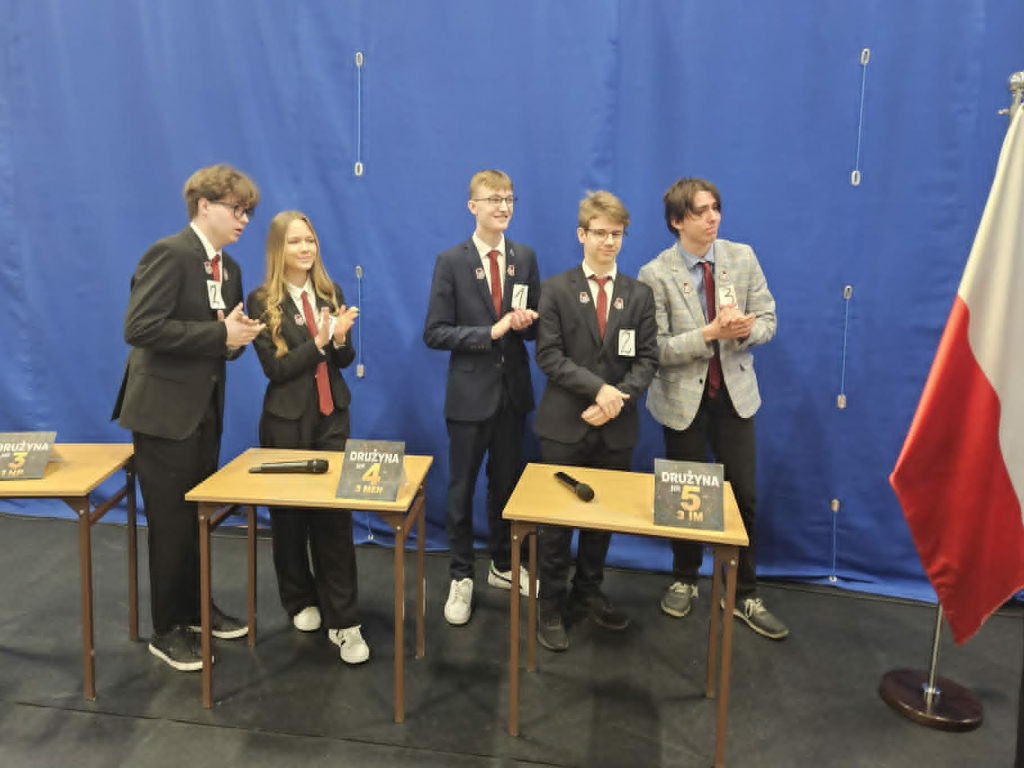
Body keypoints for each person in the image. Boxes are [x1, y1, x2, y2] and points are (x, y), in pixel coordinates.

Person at [112, 164, 264, 671]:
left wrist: (236, 338)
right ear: (204, 205)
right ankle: (167, 628)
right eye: (236, 209)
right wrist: (219, 335)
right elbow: (140, 327)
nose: (244, 219)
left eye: (248, 212)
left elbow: (220, 344)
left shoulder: (230, 268)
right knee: (170, 523)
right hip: (163, 413)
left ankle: (196, 608)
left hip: (204, 411)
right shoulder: (170, 254)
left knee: (196, 517)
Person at [637, 177, 787, 640]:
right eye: (700, 211)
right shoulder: (655, 273)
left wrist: (744, 330)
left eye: (715, 208)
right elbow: (656, 349)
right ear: (676, 221)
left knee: (743, 495)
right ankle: (684, 578)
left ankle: (743, 593)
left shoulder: (742, 258)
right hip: (682, 401)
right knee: (684, 498)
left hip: (735, 397)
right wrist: (708, 335)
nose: (712, 218)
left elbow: (769, 320)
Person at [532, 190, 658, 651]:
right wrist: (599, 390)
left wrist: (617, 398)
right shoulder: (556, 289)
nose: (609, 242)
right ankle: (550, 603)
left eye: (616, 234)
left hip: (616, 425)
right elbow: (549, 355)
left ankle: (588, 591)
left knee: (602, 518)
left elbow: (648, 359)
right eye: (600, 233)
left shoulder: (639, 295)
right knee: (556, 522)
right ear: (581, 234)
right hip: (564, 424)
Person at [246, 211, 367, 664]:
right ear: (279, 249)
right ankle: (298, 598)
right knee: (290, 520)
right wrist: (317, 343)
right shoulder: (262, 301)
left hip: (331, 416)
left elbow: (343, 359)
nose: (305, 249)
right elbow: (275, 370)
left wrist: (339, 340)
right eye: (295, 241)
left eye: (310, 240)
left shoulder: (330, 292)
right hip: (286, 422)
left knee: (334, 520)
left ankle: (345, 622)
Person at [423, 169, 541, 626]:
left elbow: (531, 329)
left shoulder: (524, 257)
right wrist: (489, 332)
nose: (503, 207)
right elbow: (435, 332)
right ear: (472, 206)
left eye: (509, 198)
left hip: (512, 393)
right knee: (462, 489)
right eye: (493, 199)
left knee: (506, 486)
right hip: (469, 396)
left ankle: (503, 565)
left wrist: (527, 325)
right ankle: (460, 575)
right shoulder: (451, 261)